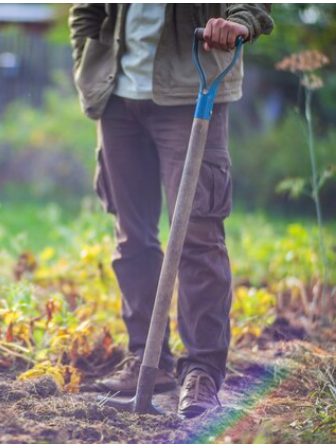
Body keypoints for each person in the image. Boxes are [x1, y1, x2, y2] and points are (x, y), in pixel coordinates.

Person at [69, 4, 273, 418]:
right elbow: (85, 10)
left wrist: (239, 22)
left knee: (198, 236)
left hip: (194, 87)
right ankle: (148, 358)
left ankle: (202, 372)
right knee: (132, 237)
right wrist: (87, 65)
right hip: (117, 96)